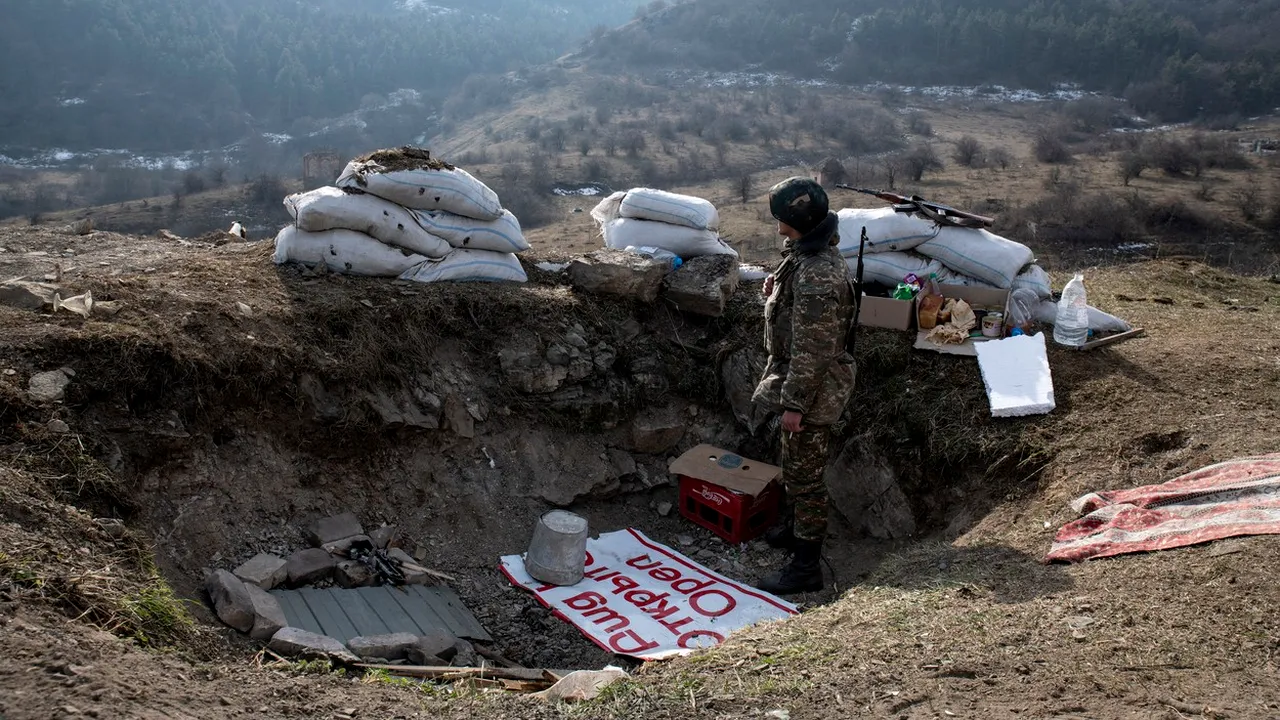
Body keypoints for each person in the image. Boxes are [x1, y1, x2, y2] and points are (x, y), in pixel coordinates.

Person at [751, 177, 856, 595]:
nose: (778, 230)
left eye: (783, 222)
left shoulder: (817, 276)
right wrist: (776, 292)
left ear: (799, 223)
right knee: (794, 464)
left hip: (813, 387)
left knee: (806, 479)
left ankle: (807, 565)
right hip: (801, 376)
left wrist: (796, 404)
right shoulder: (806, 256)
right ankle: (798, 531)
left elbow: (813, 350)